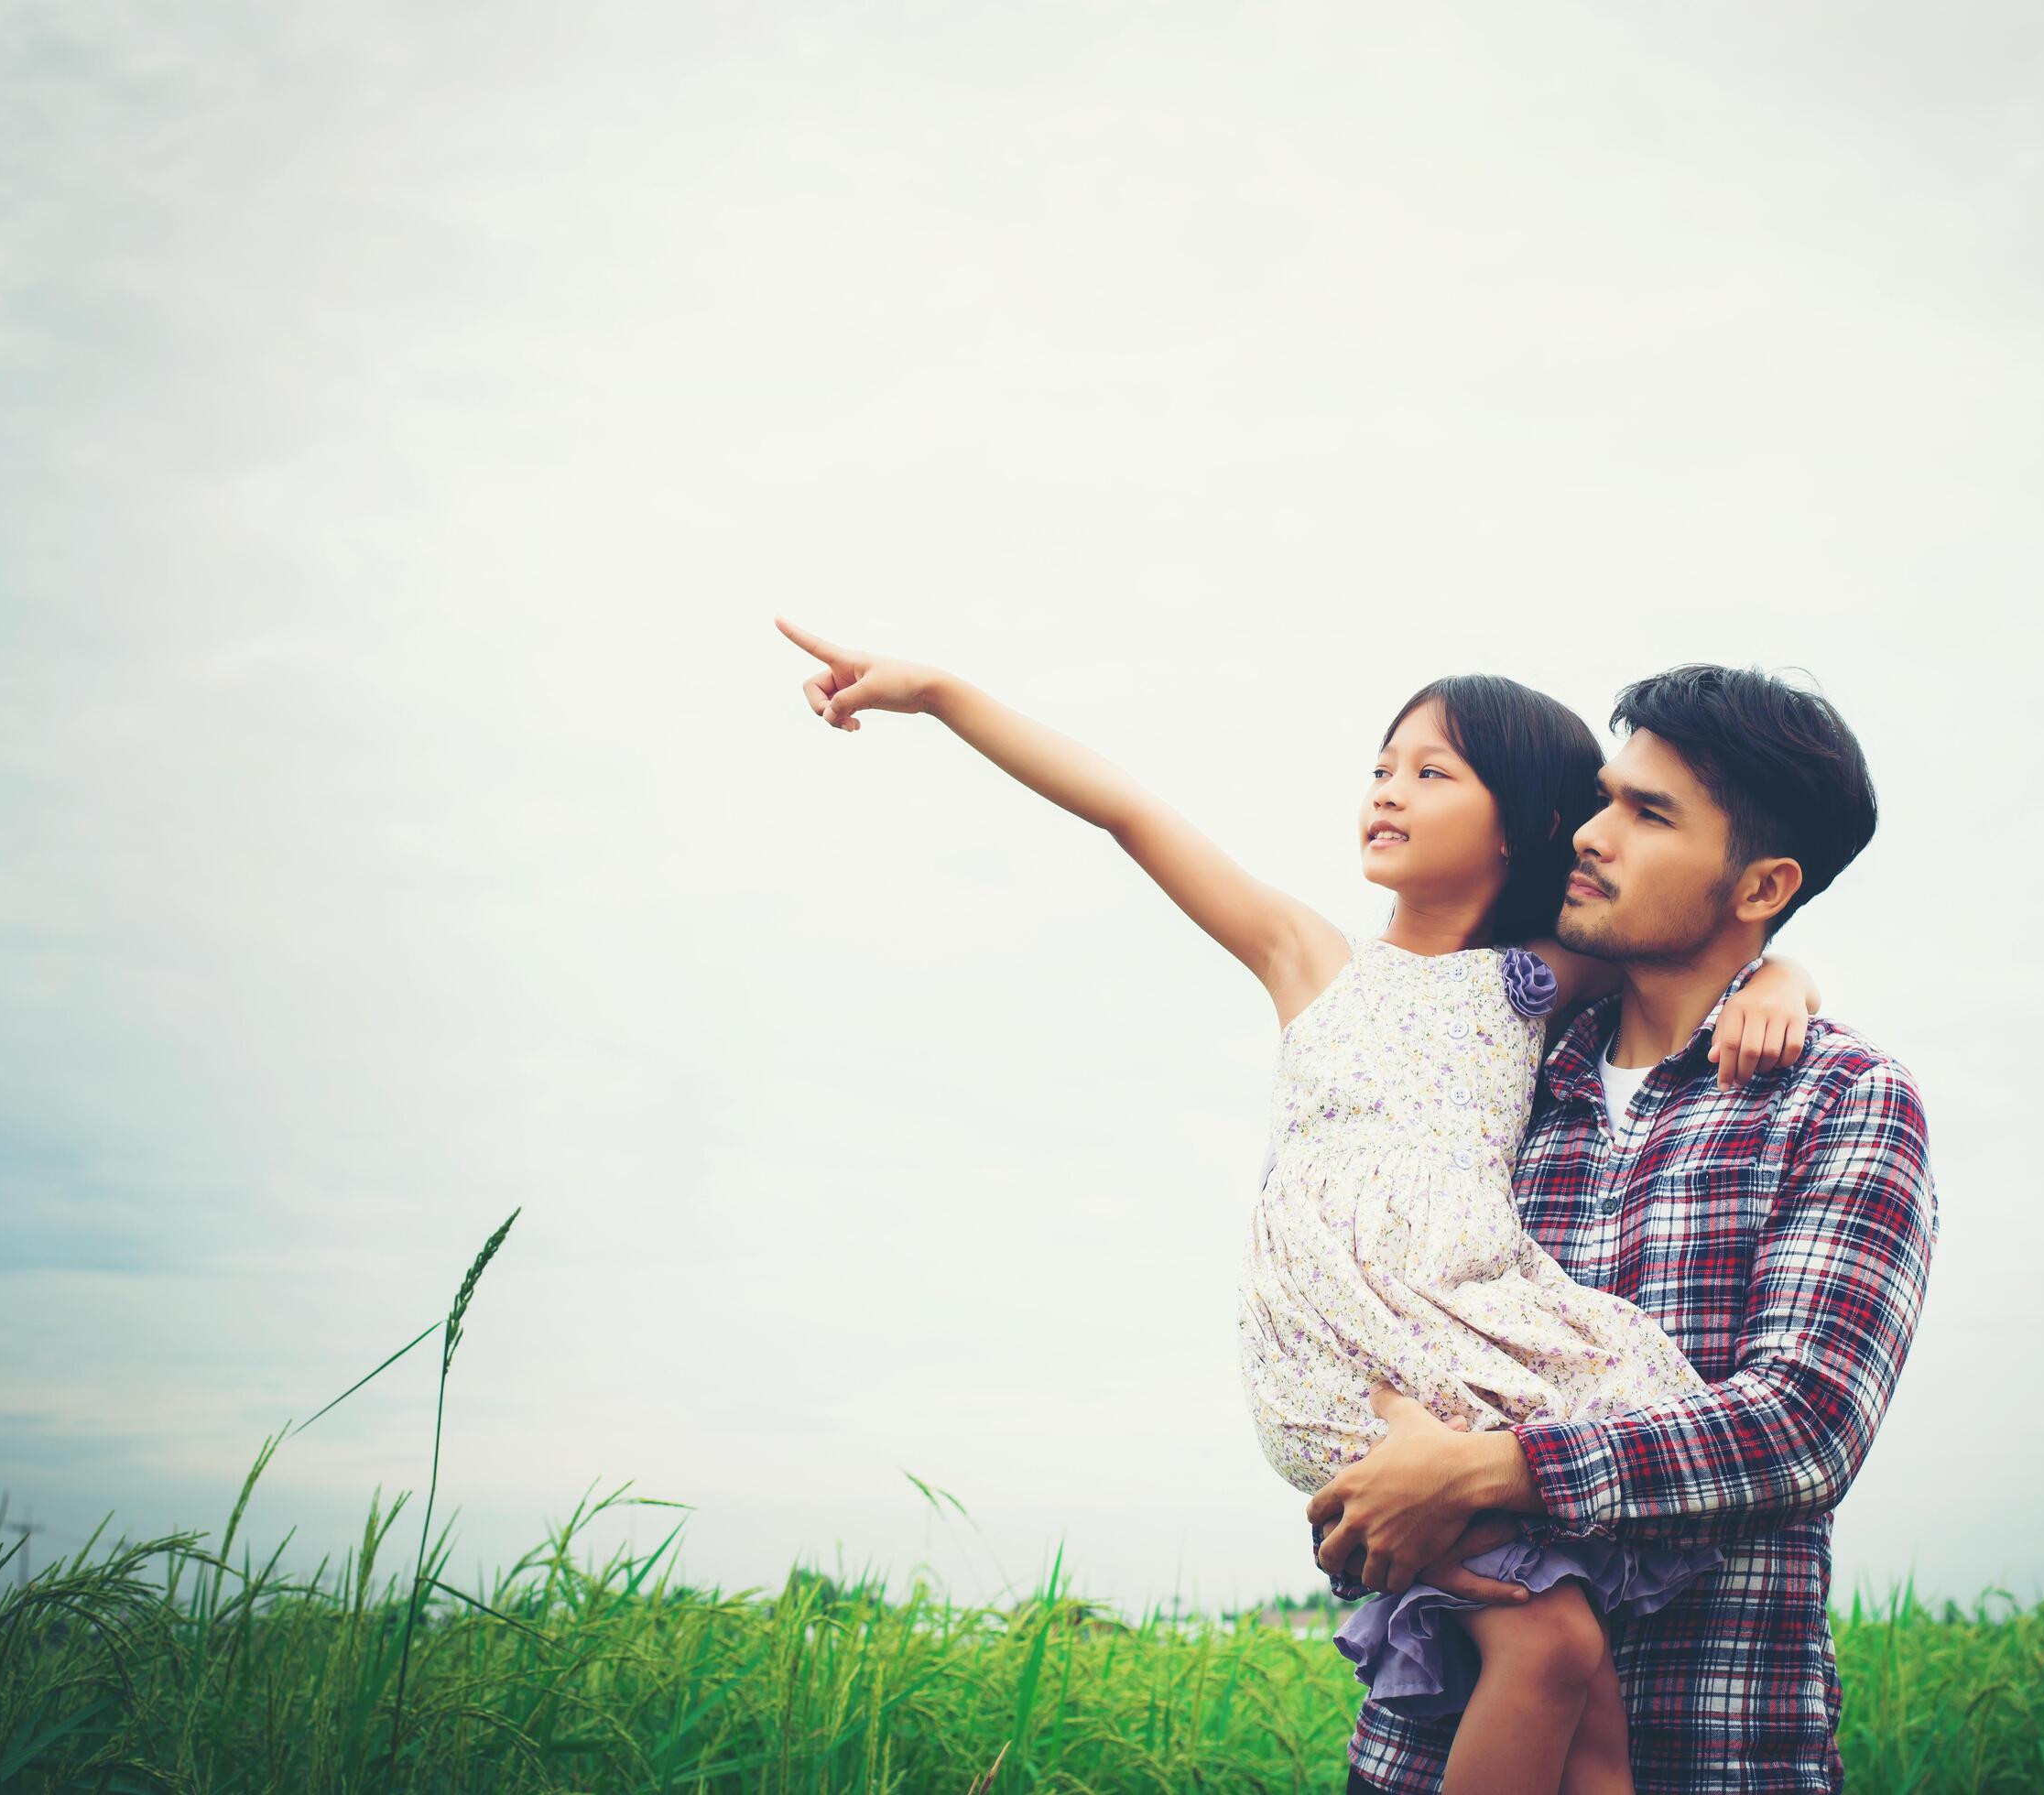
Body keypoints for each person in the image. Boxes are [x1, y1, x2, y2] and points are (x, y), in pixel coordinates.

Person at [776, 619, 1833, 1795]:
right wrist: (941, 693)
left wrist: (1781, 977)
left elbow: (1708, 946)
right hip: (1349, 1350)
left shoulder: (1539, 982)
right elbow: (1128, 811)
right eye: (1382, 766)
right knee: (1551, 1639)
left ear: (1522, 826)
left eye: (1432, 772)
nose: (1387, 791)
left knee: (1579, 1673)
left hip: (1469, 1342)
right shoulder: (1311, 959)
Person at [1306, 664, 1938, 1794]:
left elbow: (1805, 1426)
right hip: (1431, 1754)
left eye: (1649, 814)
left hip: (1712, 1739)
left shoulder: (1841, 1098)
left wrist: (1492, 1472)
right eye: (1606, 797)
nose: (1592, 834)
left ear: (1764, 883)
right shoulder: (1497, 1074)